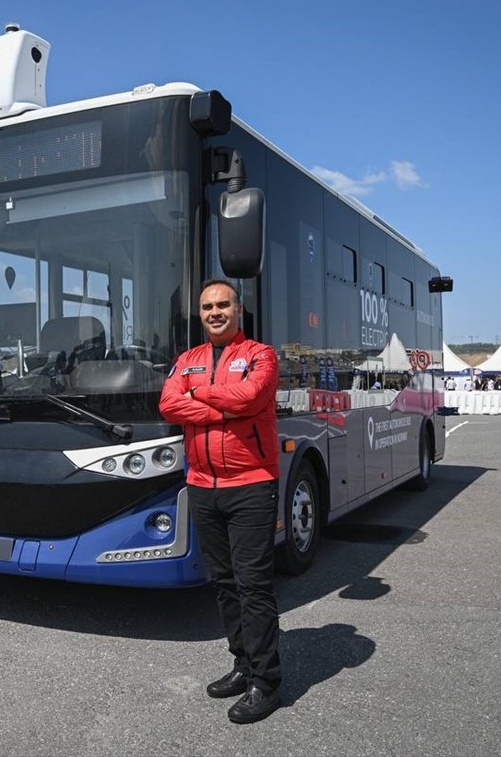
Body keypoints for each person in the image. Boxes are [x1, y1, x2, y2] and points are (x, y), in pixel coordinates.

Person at [159, 279, 282, 725]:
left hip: (251, 485)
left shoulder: (261, 355)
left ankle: (266, 682)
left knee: (253, 586)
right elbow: (168, 405)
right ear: (201, 313)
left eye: (223, 304)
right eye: (207, 306)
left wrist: (197, 394)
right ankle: (243, 664)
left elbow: (250, 396)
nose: (215, 312)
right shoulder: (187, 359)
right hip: (202, 485)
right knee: (225, 584)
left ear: (238, 309)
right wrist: (222, 408)